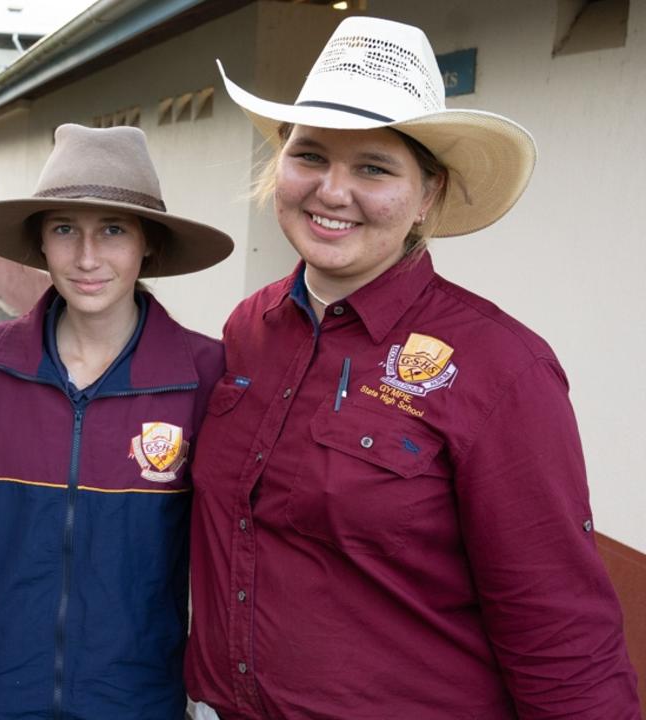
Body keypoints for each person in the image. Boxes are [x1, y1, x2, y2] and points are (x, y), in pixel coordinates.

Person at [186, 16, 640, 719]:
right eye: (310, 156)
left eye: (373, 167)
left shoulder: (503, 369)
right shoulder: (250, 327)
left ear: (428, 195)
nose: (332, 192)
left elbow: (562, 630)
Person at [0, 124, 234, 718]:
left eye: (112, 230)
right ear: (40, 242)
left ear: (148, 245)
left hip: (136, 697)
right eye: (64, 230)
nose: (87, 258)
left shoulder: (205, 373)